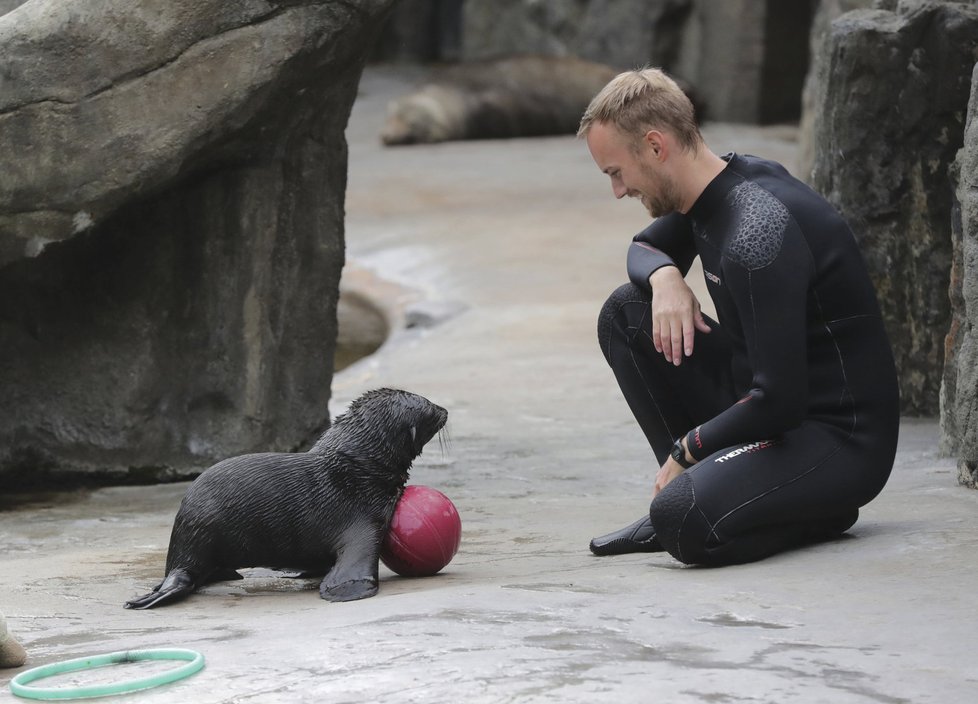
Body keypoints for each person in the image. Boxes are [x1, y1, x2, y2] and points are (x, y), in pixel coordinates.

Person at [578, 68, 900, 566]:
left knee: (684, 523)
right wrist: (666, 278)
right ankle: (702, 495)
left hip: (836, 439)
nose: (618, 191)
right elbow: (644, 247)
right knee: (626, 313)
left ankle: (793, 510)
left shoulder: (757, 231)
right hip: (769, 404)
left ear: (656, 146)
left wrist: (687, 449)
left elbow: (779, 401)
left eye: (616, 172)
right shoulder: (709, 191)